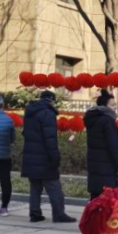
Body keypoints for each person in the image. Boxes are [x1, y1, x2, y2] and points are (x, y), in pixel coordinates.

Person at [22, 90, 74, 223]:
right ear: (52, 100)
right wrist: (55, 158)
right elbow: (50, 139)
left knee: (35, 186)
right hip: (44, 157)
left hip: (31, 156)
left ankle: (34, 213)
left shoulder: (30, 112)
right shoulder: (48, 113)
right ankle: (59, 214)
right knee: (54, 186)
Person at [84, 90, 118, 199]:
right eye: (112, 105)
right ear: (104, 106)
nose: (114, 108)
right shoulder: (108, 121)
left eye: (115, 105)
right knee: (107, 198)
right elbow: (113, 144)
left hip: (94, 163)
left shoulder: (92, 119)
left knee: (96, 197)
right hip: (106, 164)